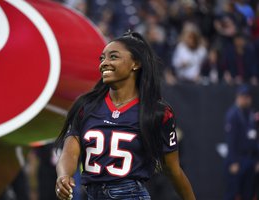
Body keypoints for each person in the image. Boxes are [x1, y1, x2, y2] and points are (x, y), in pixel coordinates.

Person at [55, 31, 196, 200]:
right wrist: (63, 175)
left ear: (135, 64)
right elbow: (70, 152)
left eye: (113, 57)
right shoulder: (86, 105)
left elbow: (172, 169)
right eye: (102, 58)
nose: (104, 63)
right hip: (92, 195)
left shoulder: (156, 111)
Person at [224, 84, 259, 200]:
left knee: (248, 194)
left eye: (247, 96)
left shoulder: (251, 114)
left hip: (250, 159)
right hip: (238, 159)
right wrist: (233, 161)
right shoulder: (232, 115)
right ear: (238, 97)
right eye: (243, 96)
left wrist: (257, 160)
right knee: (233, 193)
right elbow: (231, 140)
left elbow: (255, 138)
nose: (246, 99)